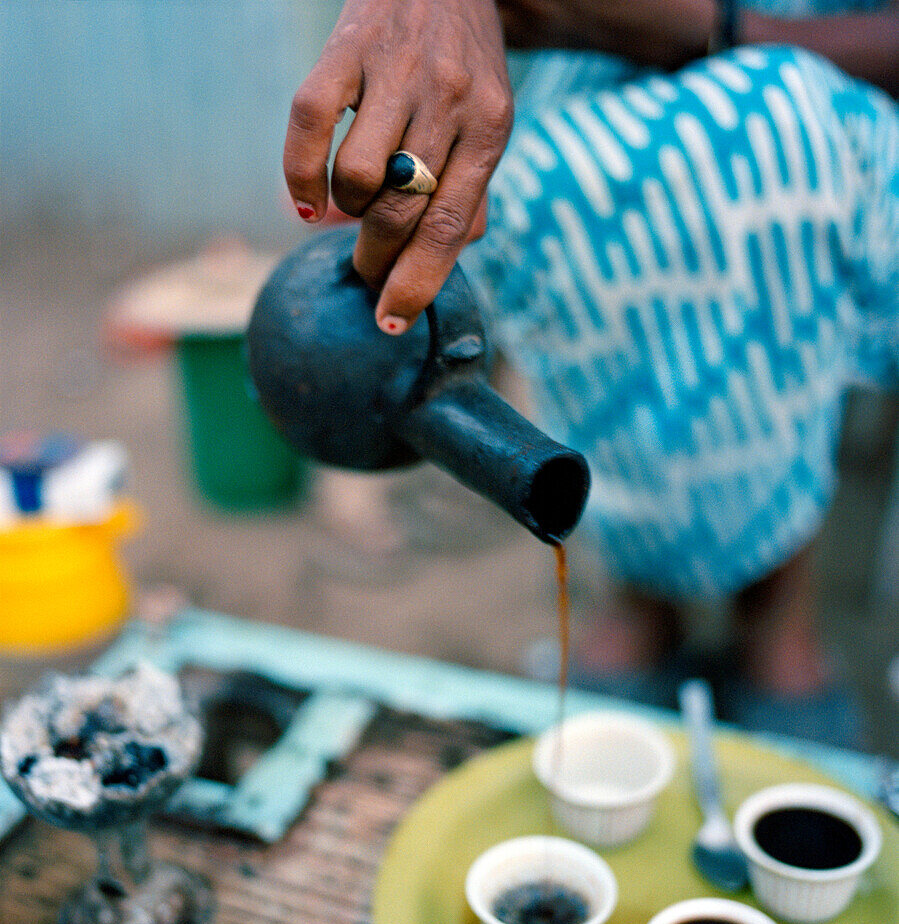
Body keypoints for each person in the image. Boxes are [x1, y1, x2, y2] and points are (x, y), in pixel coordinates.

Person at [282, 0, 899, 748]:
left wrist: (722, 33)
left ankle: (777, 613)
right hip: (574, 59)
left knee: (776, 129)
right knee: (538, 173)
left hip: (810, 59)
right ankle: (639, 593)